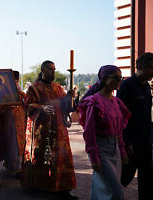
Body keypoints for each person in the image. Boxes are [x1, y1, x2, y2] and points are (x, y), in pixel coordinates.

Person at [20, 60, 77, 200]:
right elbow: (28, 106)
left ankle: (63, 188)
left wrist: (69, 98)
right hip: (42, 131)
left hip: (59, 130)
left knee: (61, 158)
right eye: (50, 69)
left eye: (54, 69)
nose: (53, 71)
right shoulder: (34, 88)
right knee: (43, 158)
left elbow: (66, 107)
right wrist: (42, 108)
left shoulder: (58, 87)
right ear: (43, 70)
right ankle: (39, 187)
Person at [78, 65, 131, 200]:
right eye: (116, 78)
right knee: (116, 191)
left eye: (121, 78)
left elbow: (118, 130)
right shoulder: (94, 102)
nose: (119, 81)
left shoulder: (116, 102)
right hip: (101, 149)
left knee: (106, 189)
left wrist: (122, 151)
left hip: (115, 149)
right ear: (105, 79)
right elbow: (89, 132)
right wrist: (94, 157)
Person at [117, 52, 153, 200]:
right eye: (151, 68)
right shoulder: (127, 85)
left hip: (146, 141)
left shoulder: (146, 87)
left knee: (147, 178)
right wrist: (126, 141)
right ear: (140, 67)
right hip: (132, 143)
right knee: (124, 177)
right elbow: (120, 116)